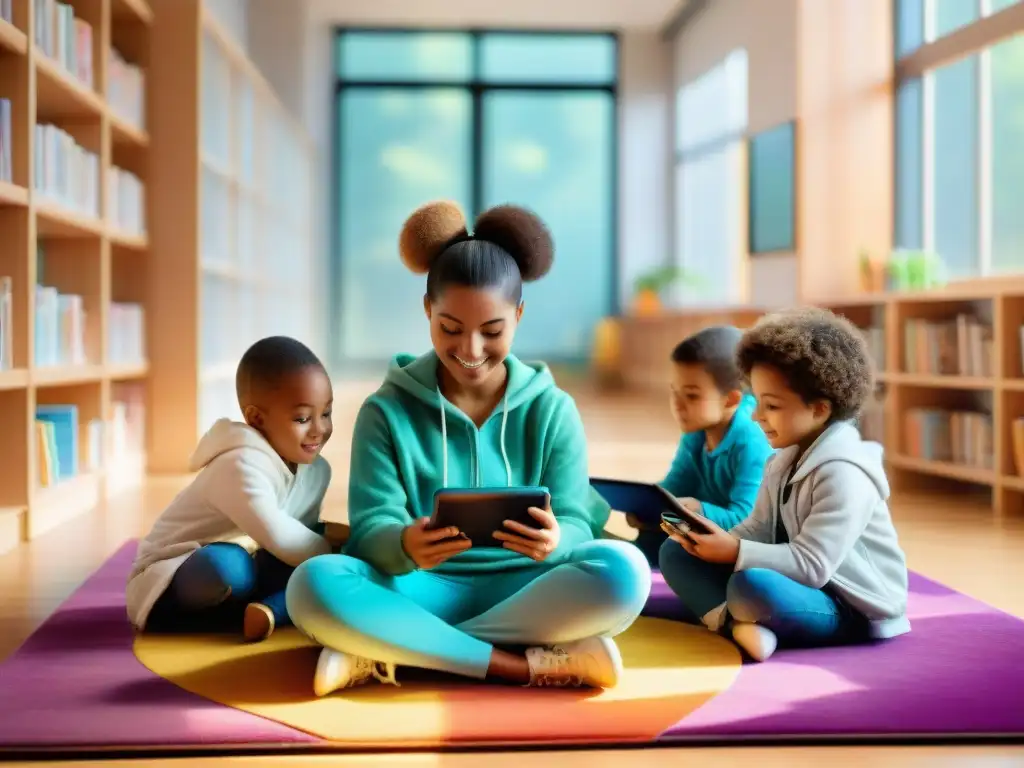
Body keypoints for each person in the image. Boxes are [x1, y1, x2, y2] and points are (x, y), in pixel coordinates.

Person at [286, 201, 652, 696]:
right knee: (313, 583)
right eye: (451, 329)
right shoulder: (385, 412)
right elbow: (370, 528)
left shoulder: (553, 410)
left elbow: (574, 520)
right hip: (416, 590)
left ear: (519, 315)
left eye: (492, 331)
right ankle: (523, 667)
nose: (471, 350)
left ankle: (390, 649)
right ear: (427, 311)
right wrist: (403, 544)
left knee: (625, 572)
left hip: (529, 588)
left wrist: (555, 541)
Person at [658, 307, 910, 662]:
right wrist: (710, 537)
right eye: (757, 402)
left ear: (820, 409)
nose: (757, 416)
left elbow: (813, 565)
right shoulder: (782, 458)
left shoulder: (845, 473)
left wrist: (733, 551)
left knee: (753, 585)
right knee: (675, 551)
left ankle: (738, 619)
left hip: (851, 606)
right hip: (799, 582)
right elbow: (757, 528)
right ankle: (736, 626)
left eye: (771, 406)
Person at [126, 336, 339, 642]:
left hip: (252, 560)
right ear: (256, 418)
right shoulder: (239, 465)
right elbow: (280, 535)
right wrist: (336, 554)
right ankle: (271, 608)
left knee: (299, 565)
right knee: (228, 567)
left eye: (327, 413)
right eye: (303, 418)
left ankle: (265, 611)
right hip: (177, 575)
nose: (319, 429)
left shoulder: (317, 471)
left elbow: (295, 541)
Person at [623, 326, 774, 564]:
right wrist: (644, 506)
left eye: (692, 396)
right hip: (702, 536)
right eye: (674, 392)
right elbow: (675, 486)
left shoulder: (752, 438)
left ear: (731, 399)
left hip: (743, 552)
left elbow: (748, 521)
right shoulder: (696, 431)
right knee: (646, 541)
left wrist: (698, 510)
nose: (678, 405)